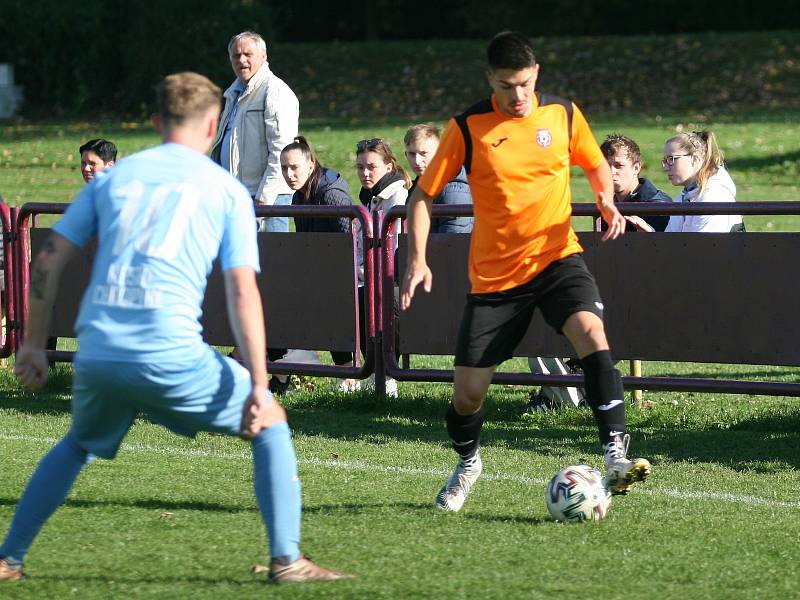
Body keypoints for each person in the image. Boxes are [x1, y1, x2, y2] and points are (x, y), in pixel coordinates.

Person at [0, 72, 350, 585]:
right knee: (270, 422)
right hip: (169, 354)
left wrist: (32, 344)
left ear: (157, 122)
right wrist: (258, 381)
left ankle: (8, 559)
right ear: (214, 125)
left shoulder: (116, 178)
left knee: (77, 444)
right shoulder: (224, 190)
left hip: (98, 351)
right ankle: (287, 561)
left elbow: (49, 254)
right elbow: (242, 292)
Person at [400, 31, 651, 512]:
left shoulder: (562, 114)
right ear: (490, 79)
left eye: (524, 84)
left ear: (536, 74)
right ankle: (469, 462)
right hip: (496, 280)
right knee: (468, 397)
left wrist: (605, 200)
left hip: (557, 258)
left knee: (593, 336)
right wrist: (417, 258)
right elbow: (423, 196)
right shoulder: (468, 126)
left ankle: (616, 454)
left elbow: (596, 164)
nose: (517, 96)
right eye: (506, 86)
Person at [278, 135, 360, 393]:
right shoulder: (299, 196)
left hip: (345, 275)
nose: (289, 174)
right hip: (317, 271)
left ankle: (347, 375)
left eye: (294, 167)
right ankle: (287, 368)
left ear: (311, 164)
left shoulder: (331, 195)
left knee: (330, 303)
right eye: (284, 168)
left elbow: (350, 241)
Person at [210, 31, 299, 233]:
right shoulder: (234, 93)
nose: (242, 60)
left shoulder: (275, 91)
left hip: (267, 198)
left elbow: (282, 151)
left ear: (263, 56)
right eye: (236, 55)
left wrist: (264, 198)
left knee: (272, 261)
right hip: (238, 196)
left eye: (248, 54)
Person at [355, 138, 411, 398]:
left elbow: (395, 241)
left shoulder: (396, 195)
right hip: (373, 274)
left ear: (388, 166)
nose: (365, 173)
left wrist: (371, 270)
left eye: (371, 167)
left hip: (393, 275)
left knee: (385, 307)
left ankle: (387, 374)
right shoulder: (370, 196)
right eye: (360, 167)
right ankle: (375, 372)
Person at [662, 130, 744, 232]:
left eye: (671, 159)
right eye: (665, 161)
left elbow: (704, 245)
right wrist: (650, 234)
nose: (665, 167)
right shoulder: (683, 197)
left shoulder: (713, 196)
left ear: (695, 159)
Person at [404, 124, 473, 234]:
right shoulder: (419, 185)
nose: (417, 161)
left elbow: (452, 244)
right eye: (412, 154)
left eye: (423, 153)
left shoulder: (453, 192)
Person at [598, 133, 672, 233]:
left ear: (636, 168)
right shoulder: (607, 206)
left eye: (618, 165)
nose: (611, 172)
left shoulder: (659, 207)